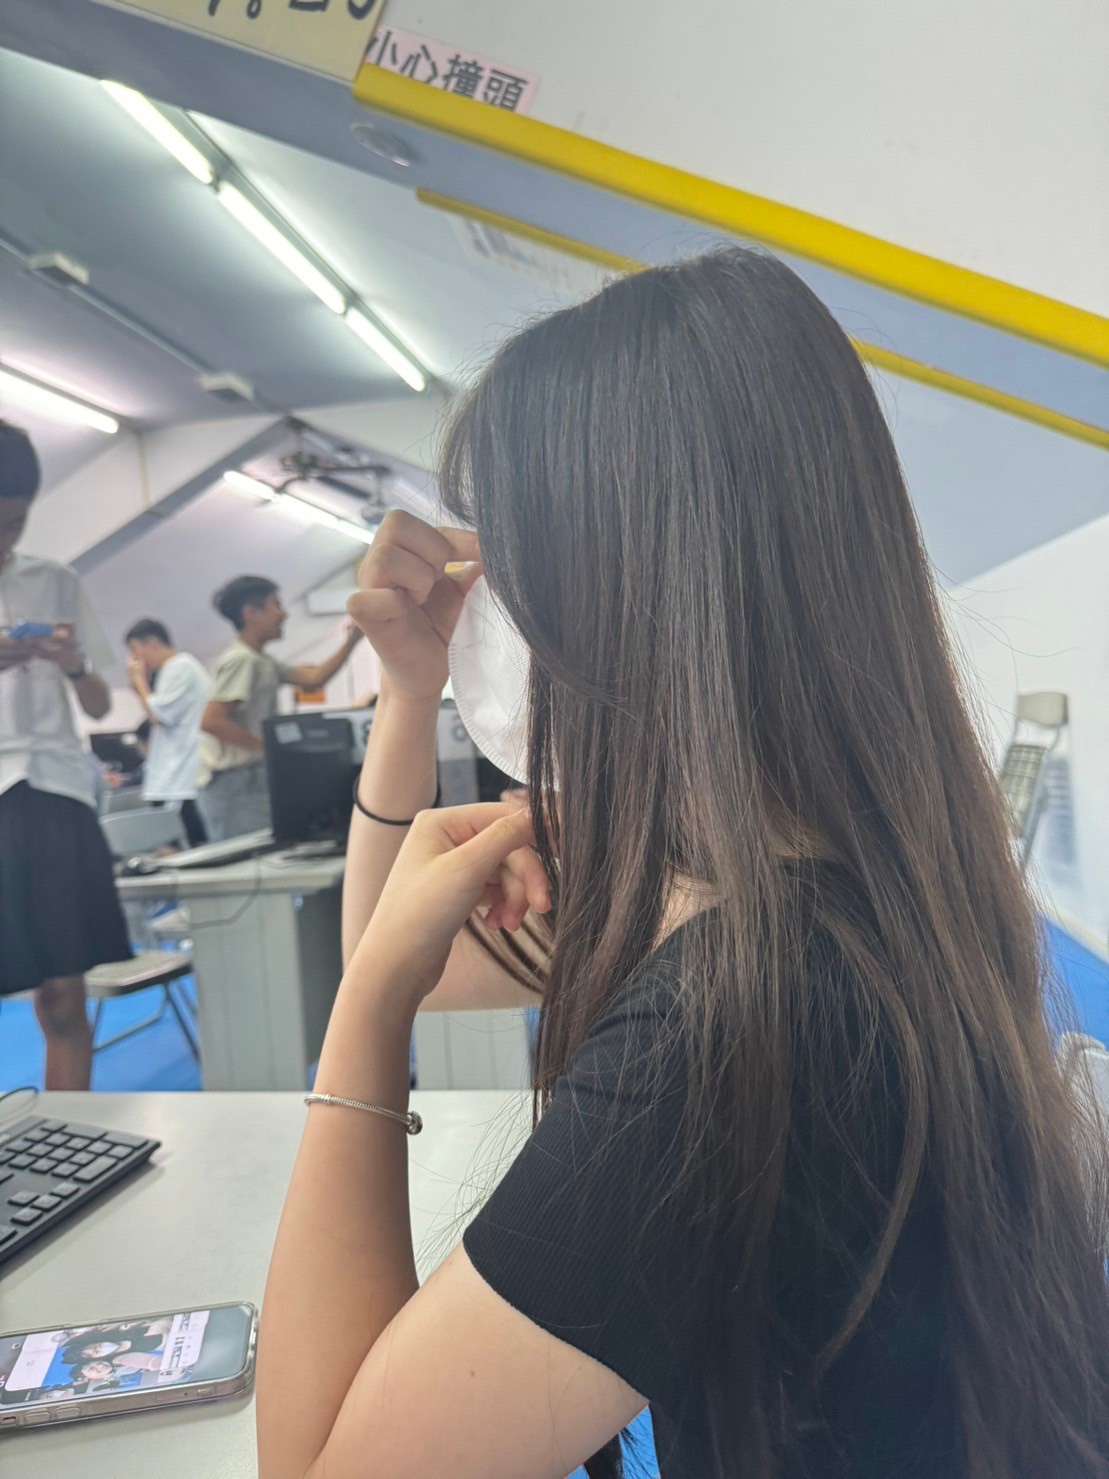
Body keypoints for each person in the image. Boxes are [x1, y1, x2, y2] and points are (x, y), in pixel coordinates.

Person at [255, 252, 1109, 1479]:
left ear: (616, 596)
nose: (489, 605)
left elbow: (318, 1471)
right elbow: (410, 959)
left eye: (511, 566)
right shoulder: (838, 874)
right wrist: (406, 693)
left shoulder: (730, 1021)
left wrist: (362, 1010)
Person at [0, 421, 130, 1091]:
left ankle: (69, 1127)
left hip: (54, 791)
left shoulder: (54, 581)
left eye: (15, 523)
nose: (4, 539)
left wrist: (73, 663)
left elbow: (102, 706)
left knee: (63, 996)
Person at [198, 576, 362, 841]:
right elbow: (212, 721)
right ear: (251, 613)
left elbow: (313, 679)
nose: (283, 615)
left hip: (250, 777)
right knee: (252, 857)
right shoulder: (242, 661)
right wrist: (270, 749)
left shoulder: (262, 660)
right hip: (237, 782)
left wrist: (352, 640)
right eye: (276, 605)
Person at [124, 618, 209, 847]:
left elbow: (158, 715)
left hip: (181, 779)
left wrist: (138, 680)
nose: (134, 659)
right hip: (176, 778)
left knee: (183, 849)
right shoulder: (175, 669)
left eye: (135, 650)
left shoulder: (180, 666)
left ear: (152, 644)